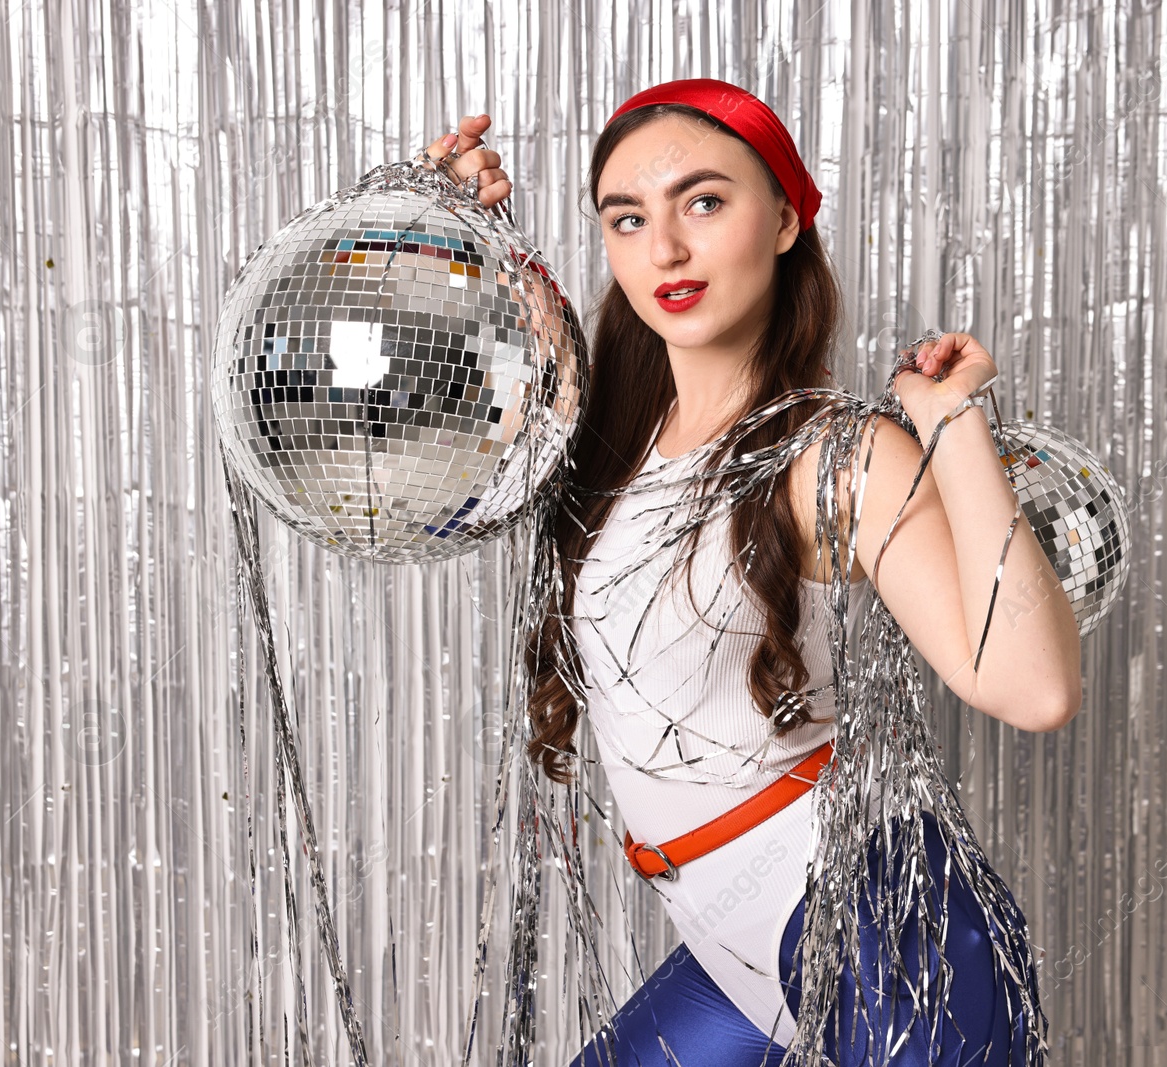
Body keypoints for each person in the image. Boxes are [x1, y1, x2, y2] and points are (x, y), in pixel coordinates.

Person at [422, 80, 1082, 1066]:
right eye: (628, 218)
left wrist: (950, 426)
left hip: (882, 933)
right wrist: (459, 227)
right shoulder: (604, 437)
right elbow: (424, 423)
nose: (666, 249)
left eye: (704, 201)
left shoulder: (836, 453)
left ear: (782, 216)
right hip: (728, 938)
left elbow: (1033, 686)